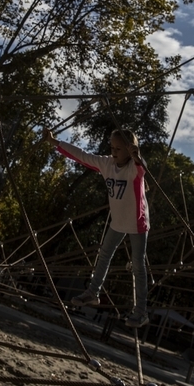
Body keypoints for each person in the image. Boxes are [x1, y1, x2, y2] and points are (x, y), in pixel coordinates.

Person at [43, 127, 151, 328]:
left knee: (138, 265)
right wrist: (55, 143)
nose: (114, 152)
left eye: (119, 149)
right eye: (112, 147)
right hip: (118, 221)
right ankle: (93, 292)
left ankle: (141, 311)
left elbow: (141, 166)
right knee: (104, 254)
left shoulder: (134, 169)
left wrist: (137, 156)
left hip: (137, 221)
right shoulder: (107, 164)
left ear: (130, 150)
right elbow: (82, 156)